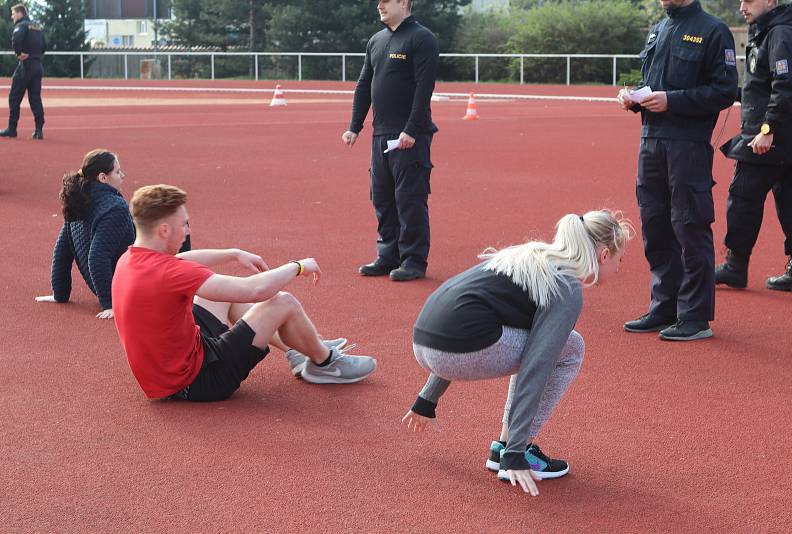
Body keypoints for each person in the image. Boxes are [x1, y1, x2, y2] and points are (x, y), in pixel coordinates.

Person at [401, 210, 633, 497]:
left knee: (536, 341)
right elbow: (538, 363)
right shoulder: (566, 285)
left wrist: (427, 398)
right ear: (604, 255)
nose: (621, 266)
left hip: (423, 341)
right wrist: (515, 455)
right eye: (621, 258)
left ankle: (503, 446)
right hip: (454, 349)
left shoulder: (531, 254)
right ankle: (514, 448)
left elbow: (460, 313)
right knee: (570, 347)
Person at [111, 185, 377, 401]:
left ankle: (300, 350)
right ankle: (325, 362)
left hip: (166, 372)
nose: (188, 230)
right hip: (198, 382)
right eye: (185, 224)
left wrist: (232, 253)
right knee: (282, 302)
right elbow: (255, 290)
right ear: (164, 230)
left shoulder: (131, 259)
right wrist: (298, 266)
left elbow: (183, 260)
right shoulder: (169, 272)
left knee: (216, 292)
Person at [617, 0, 738, 341]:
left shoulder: (713, 30)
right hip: (651, 139)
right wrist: (634, 98)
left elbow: (725, 90)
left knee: (689, 224)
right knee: (655, 224)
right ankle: (664, 306)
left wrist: (673, 100)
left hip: (688, 143)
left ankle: (695, 316)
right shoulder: (658, 29)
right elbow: (652, 82)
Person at [342, 0, 439, 282]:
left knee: (409, 199)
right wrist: (354, 126)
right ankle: (388, 255)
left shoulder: (422, 39)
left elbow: (424, 88)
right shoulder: (376, 41)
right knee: (382, 197)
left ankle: (413, 260)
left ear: (404, 3)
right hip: (380, 134)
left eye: (386, 0)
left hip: (410, 136)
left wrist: (411, 129)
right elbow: (364, 86)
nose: (379, 5)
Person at [35, 150, 192, 319]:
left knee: (154, 221)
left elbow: (62, 251)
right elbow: (97, 256)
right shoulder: (115, 207)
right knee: (177, 222)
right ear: (103, 178)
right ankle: (180, 283)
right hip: (130, 286)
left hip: (111, 283)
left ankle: (179, 277)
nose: (122, 175)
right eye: (117, 172)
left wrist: (60, 293)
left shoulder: (76, 201)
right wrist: (110, 303)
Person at [715, 0, 792, 293]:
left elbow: (785, 84)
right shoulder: (772, 30)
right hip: (790, 138)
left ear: (770, 1)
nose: (742, 7)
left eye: (749, 0)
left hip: (767, 139)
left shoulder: (780, 33)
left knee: (742, 198)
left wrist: (768, 128)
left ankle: (735, 266)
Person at [0, 3, 45, 140]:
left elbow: (16, 39)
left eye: (13, 13)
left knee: (14, 97)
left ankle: (12, 129)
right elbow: (44, 45)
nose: (12, 16)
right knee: (35, 98)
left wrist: (18, 53)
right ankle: (39, 130)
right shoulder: (37, 26)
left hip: (25, 66)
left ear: (20, 13)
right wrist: (35, 54)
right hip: (37, 65)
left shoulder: (21, 25)